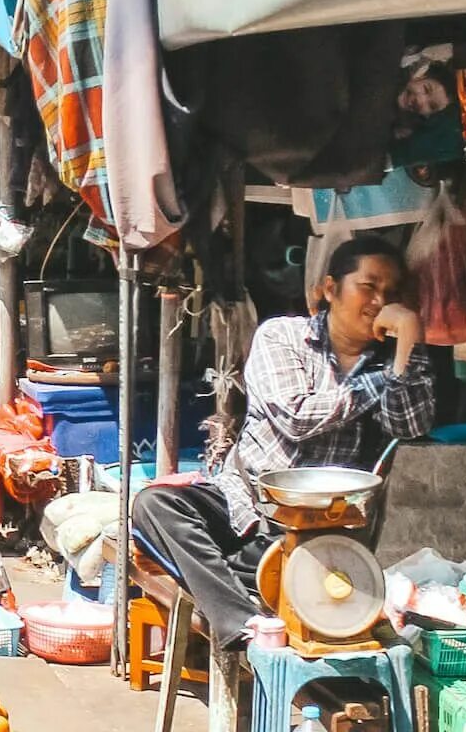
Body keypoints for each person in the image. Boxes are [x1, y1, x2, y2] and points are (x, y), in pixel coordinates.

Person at [131, 236, 433, 649]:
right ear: (331, 289)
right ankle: (244, 625)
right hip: (242, 502)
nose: (380, 301)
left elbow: (410, 424)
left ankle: (243, 587)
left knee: (295, 575)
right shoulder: (282, 337)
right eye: (369, 286)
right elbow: (296, 418)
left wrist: (407, 348)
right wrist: (381, 381)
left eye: (391, 292)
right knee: (155, 506)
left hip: (313, 531)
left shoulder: (395, 358)